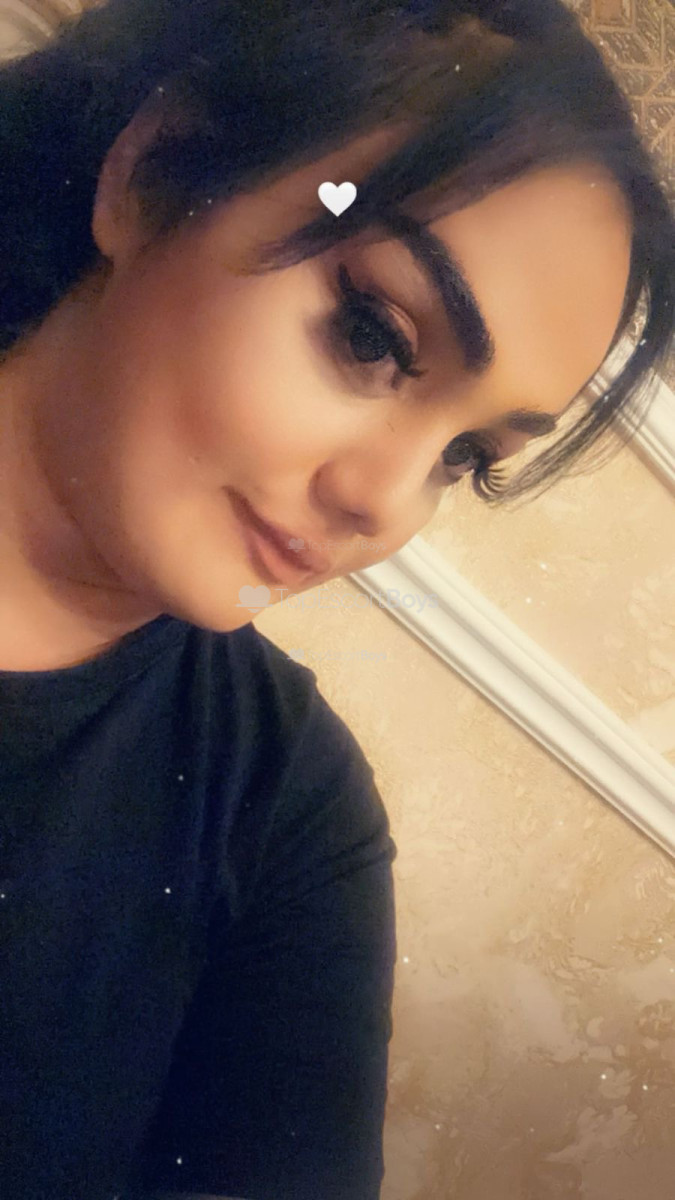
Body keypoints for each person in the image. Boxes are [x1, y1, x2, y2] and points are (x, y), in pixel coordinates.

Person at [0, 1, 672, 1198]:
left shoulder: (288, 816)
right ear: (152, 171)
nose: (384, 504)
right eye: (374, 336)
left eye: (464, 457)